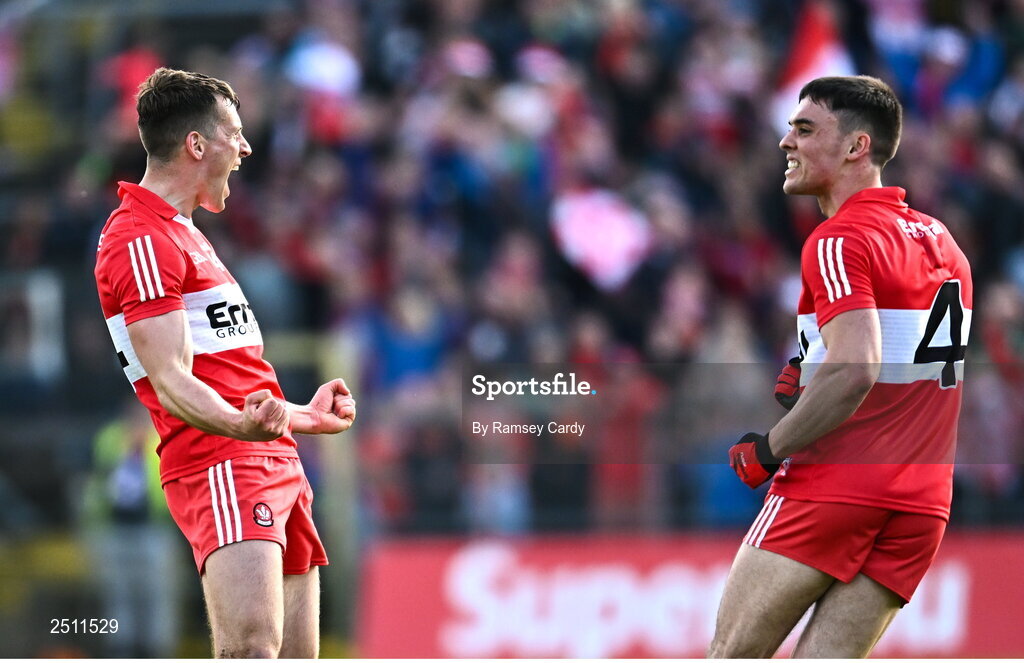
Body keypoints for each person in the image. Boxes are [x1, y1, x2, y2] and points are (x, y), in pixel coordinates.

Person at [94, 67, 357, 658]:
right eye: (234, 134)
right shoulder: (140, 238)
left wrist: (304, 417)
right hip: (221, 463)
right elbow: (171, 382)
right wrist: (241, 427)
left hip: (271, 458)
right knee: (251, 651)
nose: (245, 148)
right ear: (196, 145)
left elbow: (233, 382)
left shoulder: (188, 235)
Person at [709, 76, 972, 658]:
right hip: (923, 500)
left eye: (804, 129)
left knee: (731, 655)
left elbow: (858, 369)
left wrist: (770, 448)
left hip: (835, 486)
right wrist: (811, 366)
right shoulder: (943, 241)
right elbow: (907, 361)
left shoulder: (836, 239)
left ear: (856, 147)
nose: (786, 143)